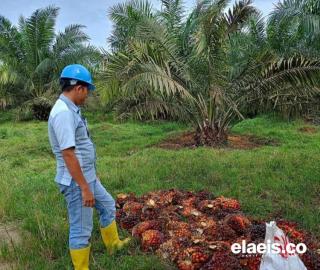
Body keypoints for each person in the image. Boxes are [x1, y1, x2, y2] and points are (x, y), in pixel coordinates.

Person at [48, 64, 130, 270]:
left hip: (87, 177)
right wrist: (84, 187)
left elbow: (81, 149)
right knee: (81, 229)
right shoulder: (63, 113)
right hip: (77, 183)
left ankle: (113, 246)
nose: (87, 97)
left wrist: (93, 177)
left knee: (108, 205)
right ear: (79, 88)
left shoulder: (71, 109)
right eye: (87, 92)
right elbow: (68, 153)